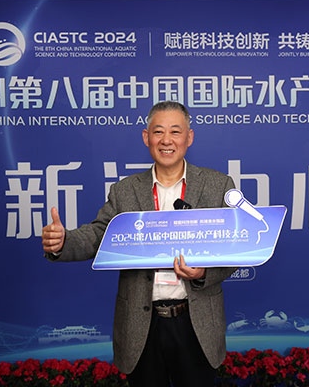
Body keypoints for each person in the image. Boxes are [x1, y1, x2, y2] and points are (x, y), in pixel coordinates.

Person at [42, 101, 236, 387]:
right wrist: (63, 241)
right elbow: (99, 235)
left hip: (196, 323)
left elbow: (235, 248)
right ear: (146, 137)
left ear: (189, 137)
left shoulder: (218, 186)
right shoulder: (125, 191)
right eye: (158, 132)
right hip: (141, 323)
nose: (166, 140)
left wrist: (204, 273)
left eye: (175, 131)